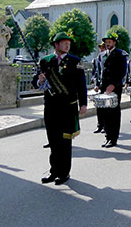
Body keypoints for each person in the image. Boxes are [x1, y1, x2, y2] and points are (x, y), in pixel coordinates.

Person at [33, 32, 87, 185]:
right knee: (53, 140)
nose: (67, 45)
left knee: (64, 141)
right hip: (51, 106)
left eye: (68, 42)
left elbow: (81, 84)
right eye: (64, 42)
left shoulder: (76, 61)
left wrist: (83, 103)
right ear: (56, 45)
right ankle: (54, 171)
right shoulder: (45, 61)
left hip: (67, 107)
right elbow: (35, 81)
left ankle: (64, 172)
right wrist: (40, 80)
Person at [100, 32, 128, 147]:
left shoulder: (120, 54)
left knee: (114, 112)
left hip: (114, 87)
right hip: (105, 87)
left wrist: (113, 84)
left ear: (114, 42)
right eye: (106, 42)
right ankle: (107, 136)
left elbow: (122, 72)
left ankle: (113, 138)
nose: (107, 44)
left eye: (110, 42)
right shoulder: (103, 55)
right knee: (105, 112)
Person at [91, 42, 106, 134]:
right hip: (99, 86)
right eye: (100, 48)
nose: (102, 49)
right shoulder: (96, 60)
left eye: (103, 48)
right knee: (99, 107)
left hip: (106, 86)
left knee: (106, 107)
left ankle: (106, 125)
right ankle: (100, 125)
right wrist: (95, 84)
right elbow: (94, 73)